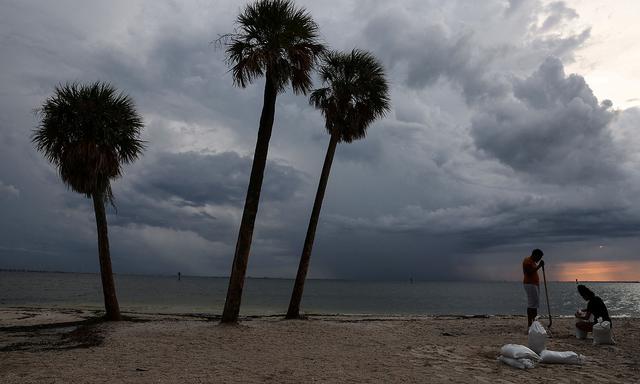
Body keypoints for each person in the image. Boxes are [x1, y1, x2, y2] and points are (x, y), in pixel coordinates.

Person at [522, 248, 544, 329]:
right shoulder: (527, 261)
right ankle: (530, 324)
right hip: (530, 284)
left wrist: (538, 265)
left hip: (534, 284)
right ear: (535, 255)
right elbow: (529, 272)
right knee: (532, 304)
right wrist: (539, 266)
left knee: (535, 304)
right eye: (539, 257)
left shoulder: (533, 262)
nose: (539, 259)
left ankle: (534, 322)